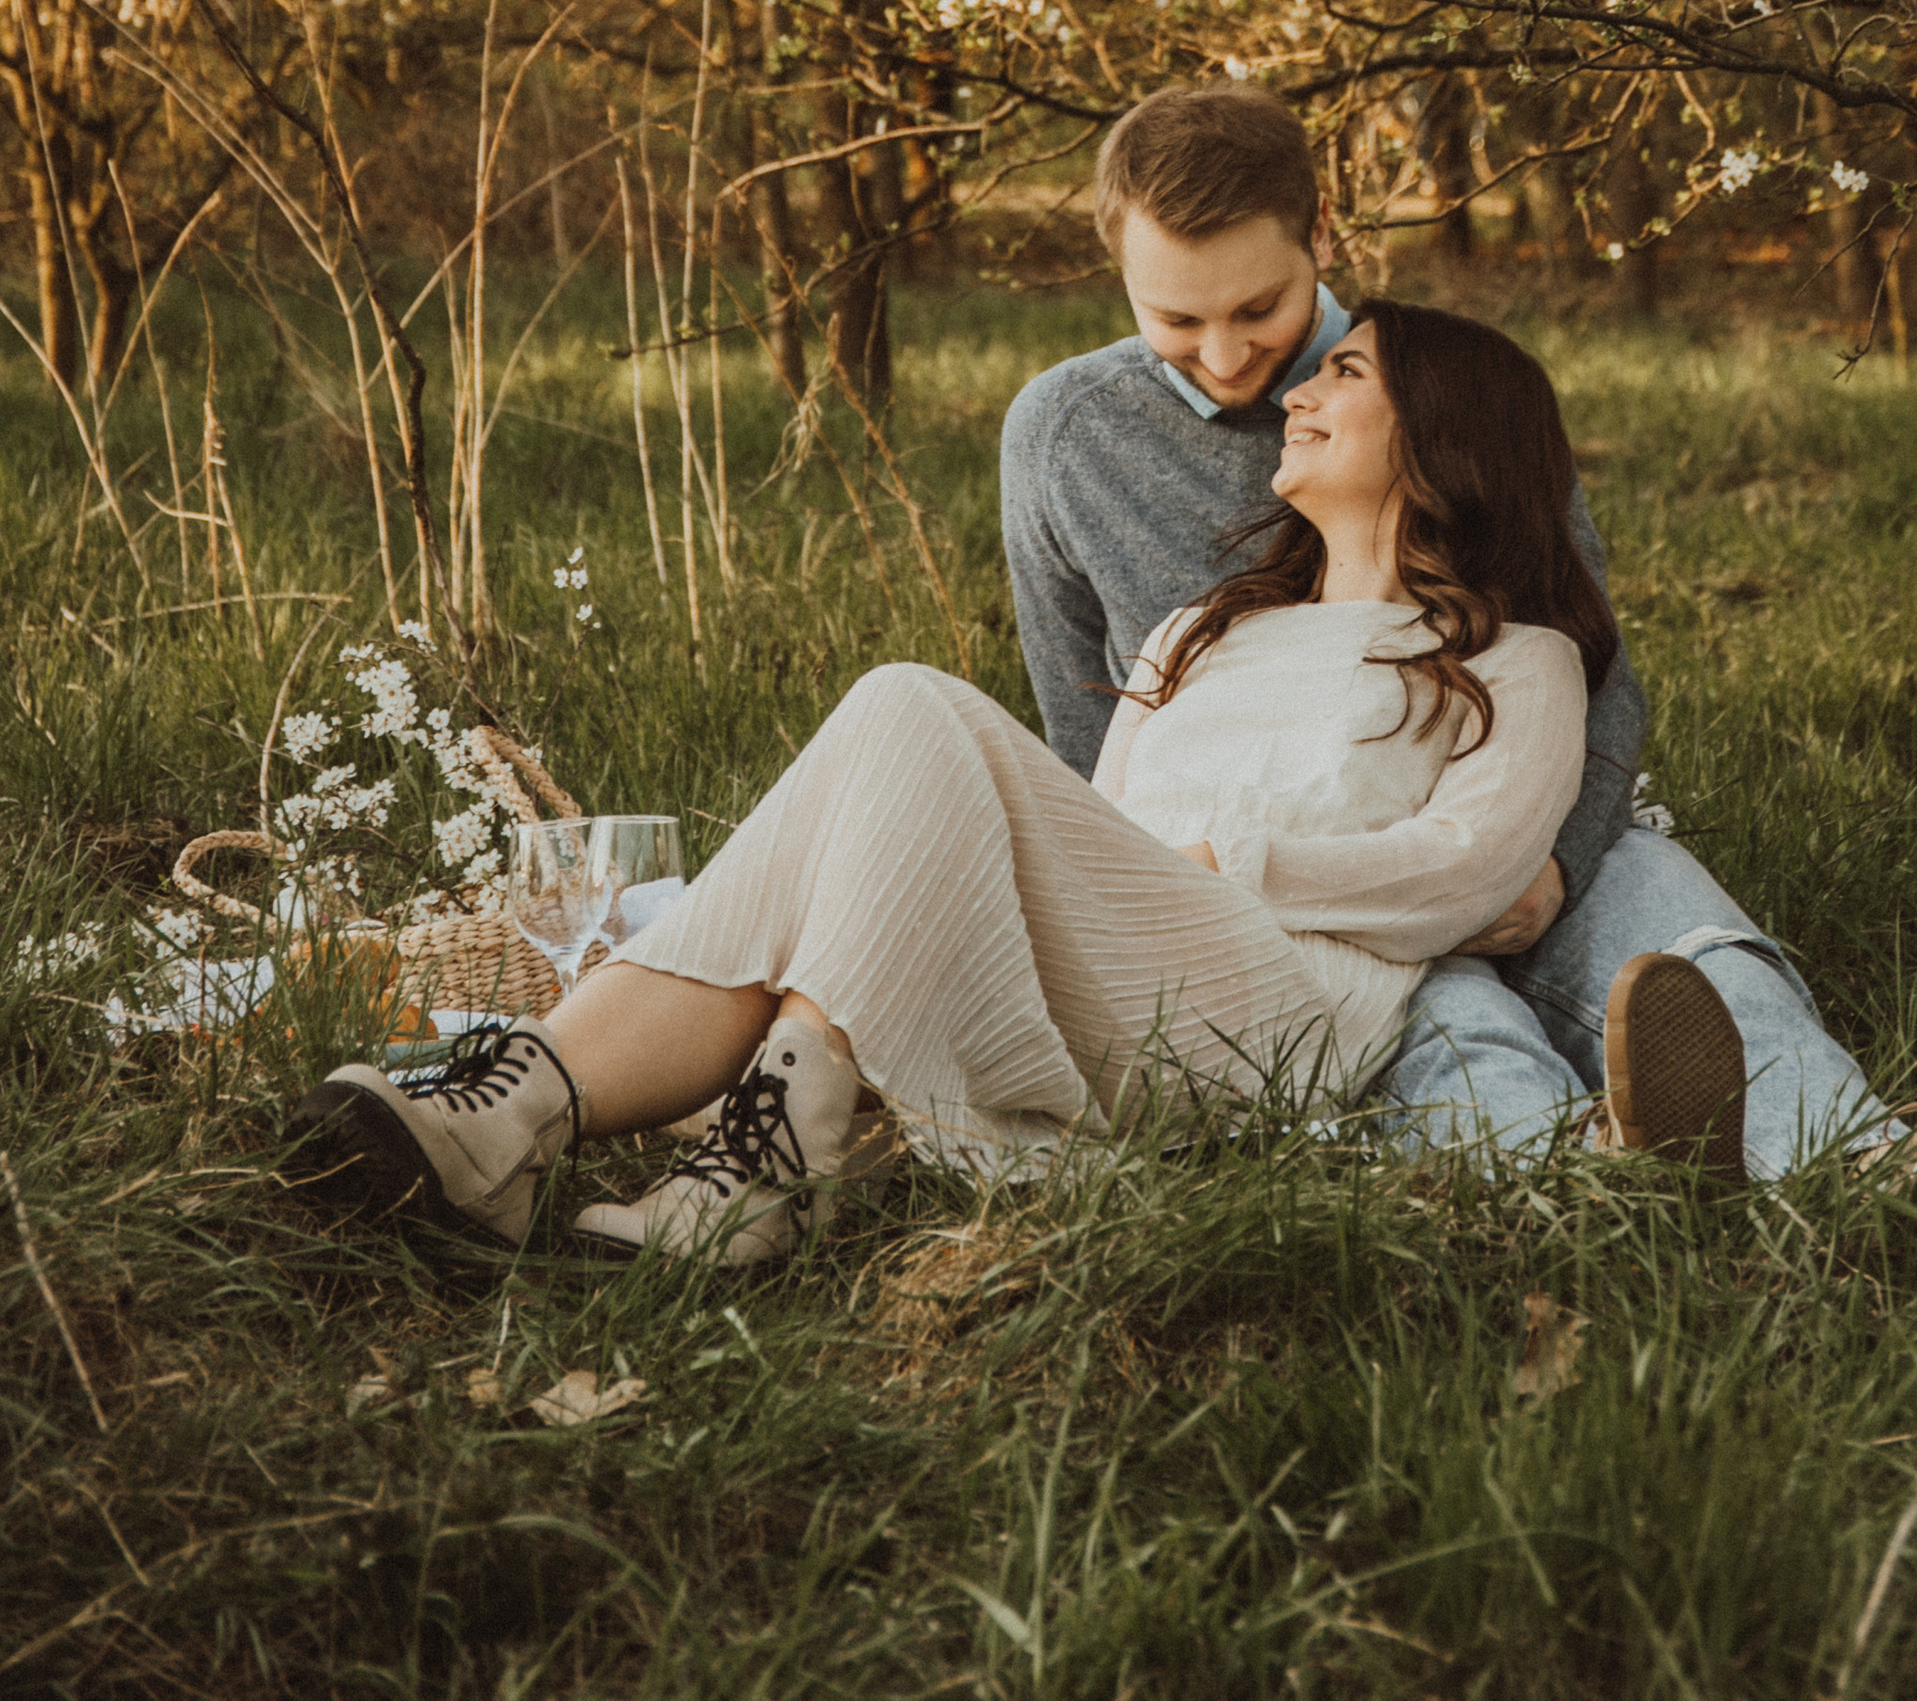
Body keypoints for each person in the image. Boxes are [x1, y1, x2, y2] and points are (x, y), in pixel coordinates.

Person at [284, 299, 1609, 1264]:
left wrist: (1242, 868)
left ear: (1441, 429)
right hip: (1120, 966)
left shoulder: (1517, 658)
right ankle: (535, 1114)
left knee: (908, 705)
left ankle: (659, 1141)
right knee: (888, 749)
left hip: (1274, 1009)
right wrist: (1125, 876)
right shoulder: (1202, 632)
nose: (1302, 392)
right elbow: (1106, 828)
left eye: (1348, 373)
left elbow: (1472, 871)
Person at [1003, 84, 1917, 1188]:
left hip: (1502, 791)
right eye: (1177, 320)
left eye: (1259, 310)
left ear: (1321, 237)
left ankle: (1875, 1163)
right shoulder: (1066, 435)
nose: (1230, 357)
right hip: (1274, 877)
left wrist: (1552, 863)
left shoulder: (1445, 388)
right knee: (1445, 1026)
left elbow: (1585, 663)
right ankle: (1594, 1176)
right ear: (1122, 275)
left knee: (1678, 943)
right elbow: (1082, 736)